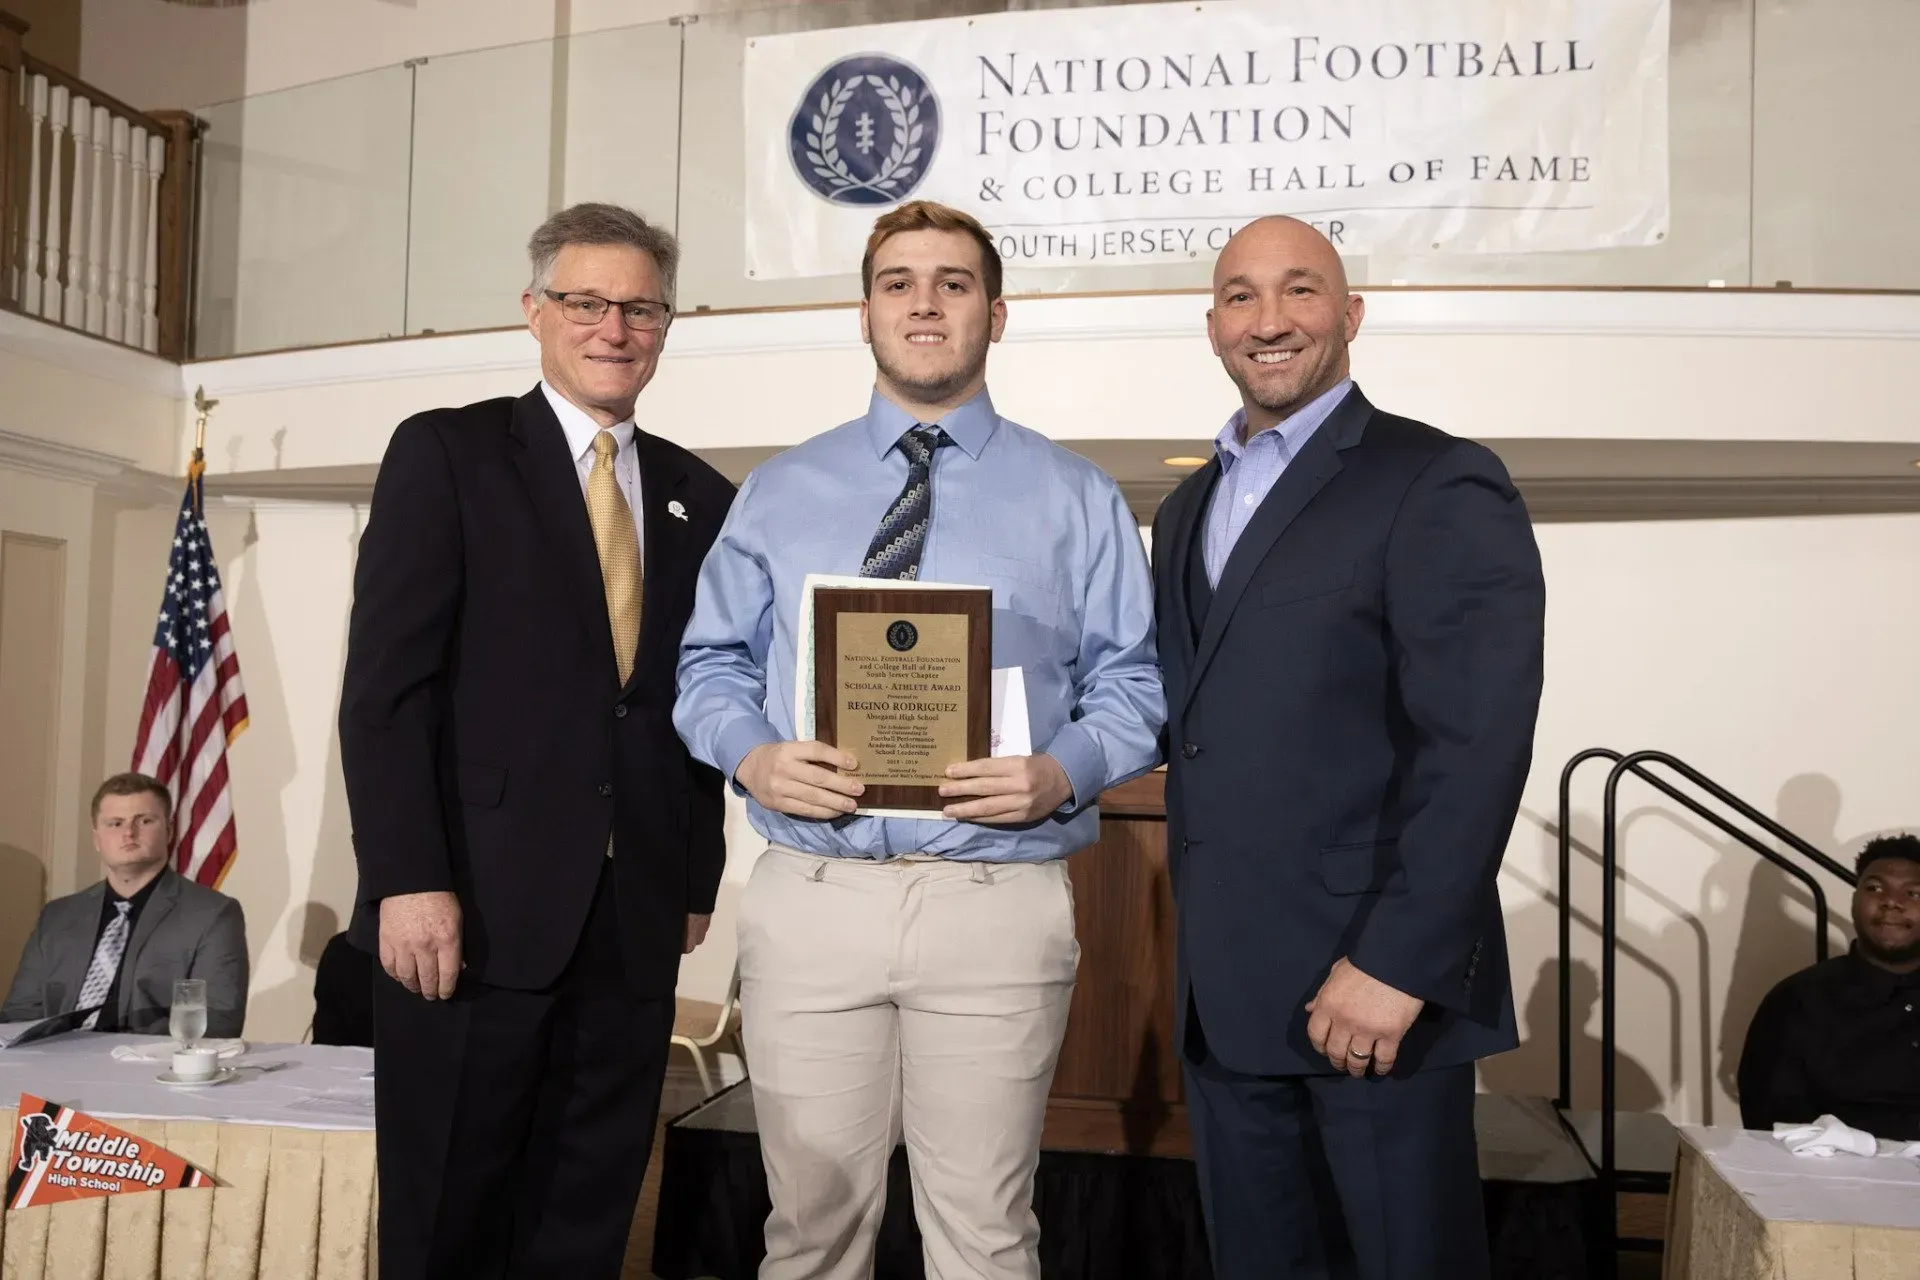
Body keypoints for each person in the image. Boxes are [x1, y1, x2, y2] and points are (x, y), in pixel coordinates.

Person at [675, 199, 1164, 1280]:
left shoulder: (1077, 496)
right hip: (815, 891)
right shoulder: (778, 491)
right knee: (808, 1232)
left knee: (987, 1234)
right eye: (899, 281)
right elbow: (707, 668)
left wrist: (1060, 772)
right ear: (864, 313)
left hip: (995, 898)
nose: (926, 302)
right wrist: (755, 755)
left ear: (997, 312)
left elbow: (1135, 683)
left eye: (953, 281)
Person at [338, 202, 735, 1280]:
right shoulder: (448, 453)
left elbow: (693, 698)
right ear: (535, 312)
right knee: (451, 1219)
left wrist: (696, 870)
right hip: (470, 914)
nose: (615, 327)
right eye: (587, 302)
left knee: (585, 1218)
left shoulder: (705, 497)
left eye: (641, 306)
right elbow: (386, 693)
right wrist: (406, 877)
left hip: (634, 922)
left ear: (666, 322)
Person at [1151, 216, 1545, 1280]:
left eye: (1300, 290)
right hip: (1227, 1004)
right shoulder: (1187, 504)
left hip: (1368, 995)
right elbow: (1190, 723)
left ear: (1352, 312)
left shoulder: (1435, 478)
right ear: (1212, 323)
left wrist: (1395, 964)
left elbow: (1477, 740)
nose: (1268, 320)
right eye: (1240, 295)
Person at [2, 773, 247, 1036]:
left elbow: (219, 1022)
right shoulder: (57, 916)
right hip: (52, 1064)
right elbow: (19, 1015)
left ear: (169, 830)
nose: (128, 833)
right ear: (97, 838)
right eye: (115, 823)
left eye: (144, 821)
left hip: (147, 1068)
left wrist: (118, 1052)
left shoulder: (212, 914)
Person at [1737, 835, 1920, 1140]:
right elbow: (1772, 1126)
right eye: (1874, 888)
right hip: (1833, 1179)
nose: (1891, 901)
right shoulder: (1797, 1002)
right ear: (1854, 900)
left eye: (1913, 893)